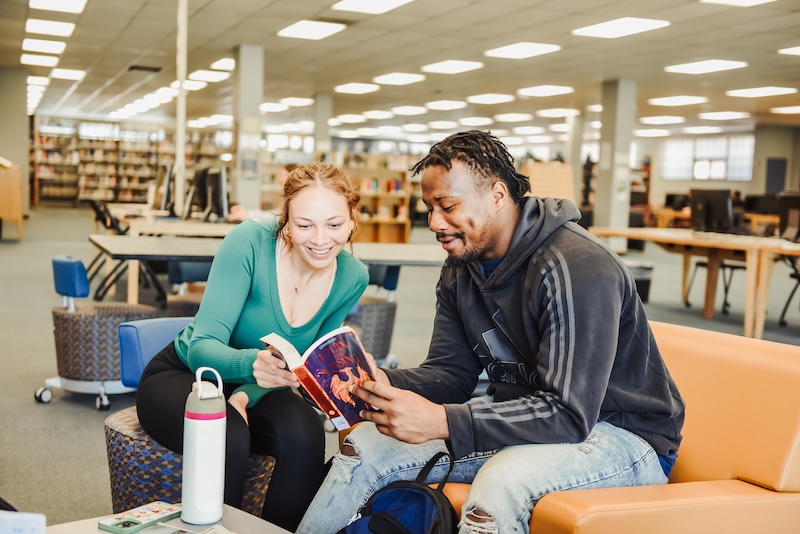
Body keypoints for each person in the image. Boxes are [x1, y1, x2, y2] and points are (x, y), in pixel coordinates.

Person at [298, 131, 685, 534]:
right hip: (522, 425)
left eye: (447, 206)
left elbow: (569, 414)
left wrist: (443, 421)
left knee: (501, 483)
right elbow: (450, 374)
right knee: (364, 450)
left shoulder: (577, 267)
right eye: (429, 208)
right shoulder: (460, 268)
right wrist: (376, 382)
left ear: (498, 195)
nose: (434, 223)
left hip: (622, 437)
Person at [137, 162, 369, 532]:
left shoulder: (352, 277)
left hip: (261, 385)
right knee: (226, 432)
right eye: (305, 224)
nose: (321, 239)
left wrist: (349, 367)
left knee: (305, 433)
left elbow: (302, 365)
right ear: (286, 220)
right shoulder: (249, 242)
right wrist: (249, 368)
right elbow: (202, 347)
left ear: (353, 219)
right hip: (183, 374)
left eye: (335, 224)